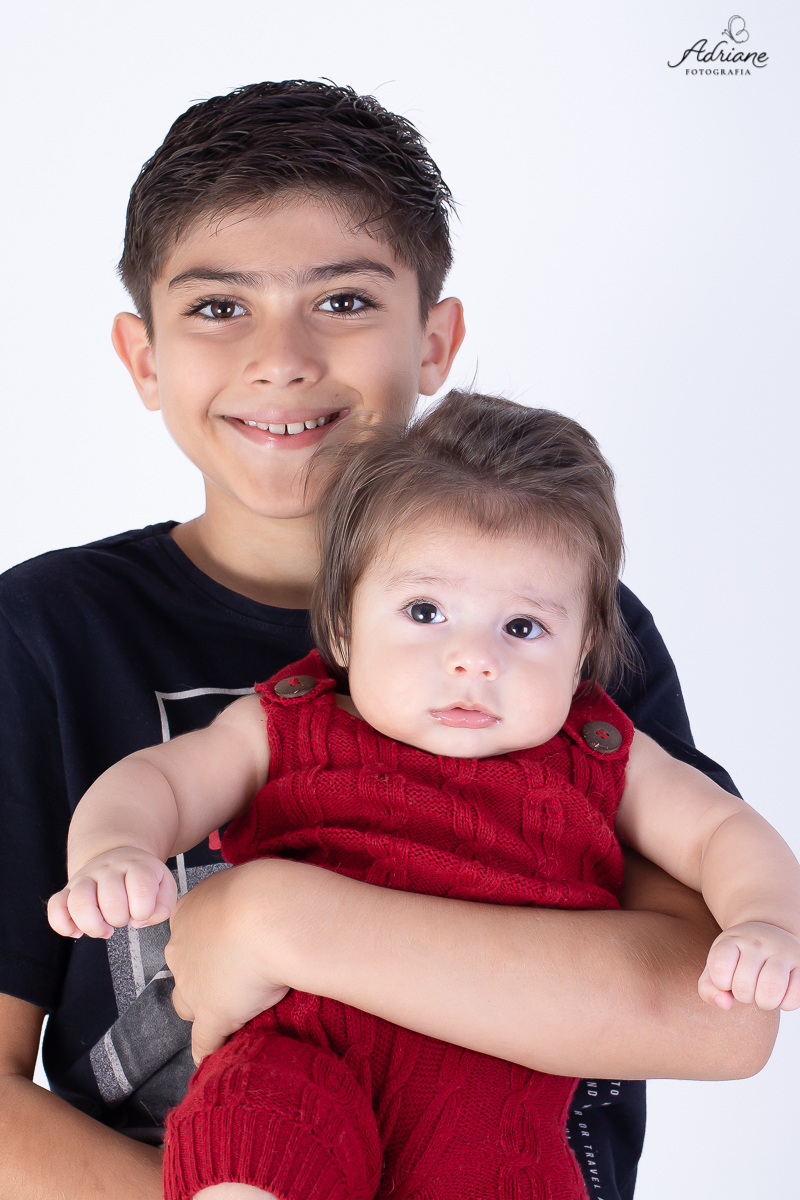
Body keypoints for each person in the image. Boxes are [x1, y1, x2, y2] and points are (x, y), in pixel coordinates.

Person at [0, 81, 776, 1200]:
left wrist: (275, 922)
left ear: (434, 341)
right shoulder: (46, 635)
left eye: (344, 300)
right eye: (218, 306)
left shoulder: (563, 632)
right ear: (144, 357)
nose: (282, 358)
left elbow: (721, 1018)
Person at [48, 392, 800, 1200]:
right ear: (343, 626)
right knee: (251, 1140)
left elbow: (722, 832)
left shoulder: (605, 756)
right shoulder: (284, 725)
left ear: (583, 649)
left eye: (522, 627)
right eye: (426, 611)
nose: (472, 658)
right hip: (299, 1062)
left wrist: (767, 919)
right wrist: (114, 850)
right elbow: (159, 780)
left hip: (495, 1114)